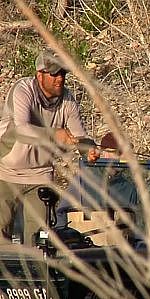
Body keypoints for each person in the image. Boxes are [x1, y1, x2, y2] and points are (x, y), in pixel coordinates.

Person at [0, 49, 99, 245]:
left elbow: (79, 136)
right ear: (40, 75)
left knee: (39, 239)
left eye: (63, 74)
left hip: (41, 175)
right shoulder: (22, 90)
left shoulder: (68, 101)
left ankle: (36, 273)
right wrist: (55, 133)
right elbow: (22, 130)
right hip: (5, 172)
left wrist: (90, 150)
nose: (59, 79)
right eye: (54, 74)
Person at [56, 132, 138, 229]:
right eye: (119, 153)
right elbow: (61, 214)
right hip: (87, 240)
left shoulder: (129, 187)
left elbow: (133, 225)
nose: (125, 157)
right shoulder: (84, 180)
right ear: (104, 153)